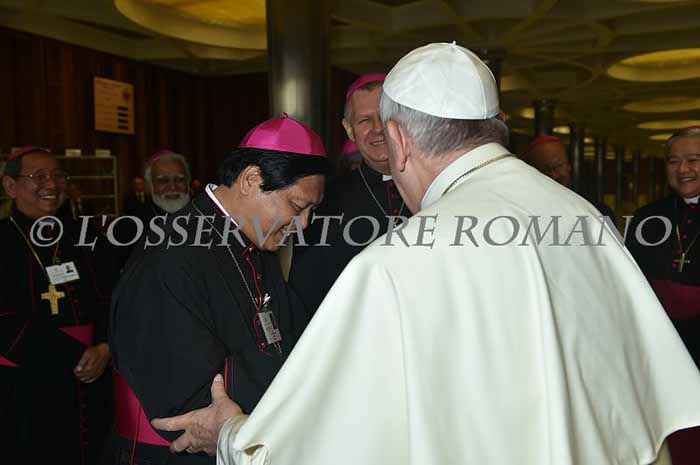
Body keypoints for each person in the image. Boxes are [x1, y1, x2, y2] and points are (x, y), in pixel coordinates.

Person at [153, 43, 700, 465]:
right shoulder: (584, 217)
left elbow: (317, 445)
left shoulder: (396, 264)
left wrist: (229, 435)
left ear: (399, 140)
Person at [108, 114, 327, 465]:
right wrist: (303, 380)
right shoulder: (169, 255)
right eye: (298, 207)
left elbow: (290, 335)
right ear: (251, 179)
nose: (303, 225)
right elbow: (190, 397)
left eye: (312, 211)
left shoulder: (256, 241)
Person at [0, 146, 118, 465]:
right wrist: (75, 355)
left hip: (94, 376)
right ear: (10, 186)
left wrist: (106, 346)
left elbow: (115, 296)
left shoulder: (86, 235)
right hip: (28, 384)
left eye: (57, 175)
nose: (51, 184)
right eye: (38, 176)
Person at [288, 72, 410, 315]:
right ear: (350, 130)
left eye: (385, 116)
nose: (378, 128)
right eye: (364, 121)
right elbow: (306, 293)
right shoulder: (325, 202)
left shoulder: (437, 187)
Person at [626, 125, 700, 465]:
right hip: (661, 350)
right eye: (674, 161)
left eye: (694, 159)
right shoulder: (648, 217)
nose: (684, 169)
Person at [113, 149, 192, 267]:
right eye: (163, 181)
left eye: (180, 179)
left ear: (188, 183)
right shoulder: (129, 227)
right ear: (150, 186)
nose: (172, 187)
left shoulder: (206, 218)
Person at [521, 134, 616, 221]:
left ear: (568, 166)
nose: (554, 175)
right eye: (545, 170)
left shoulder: (598, 212)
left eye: (558, 166)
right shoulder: (523, 213)